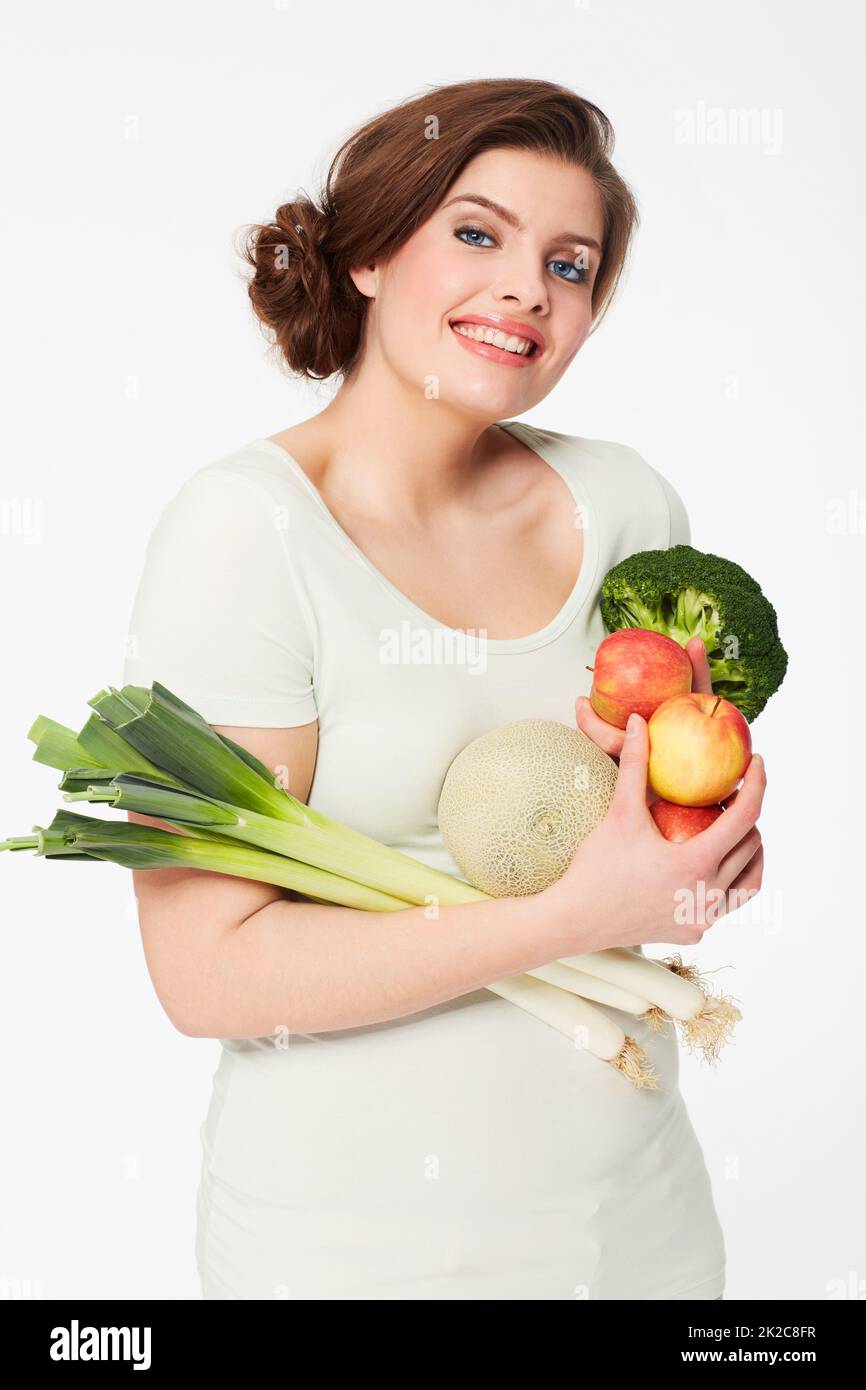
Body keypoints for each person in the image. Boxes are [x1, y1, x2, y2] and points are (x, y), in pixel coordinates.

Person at [122, 77, 764, 1300]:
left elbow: (651, 824)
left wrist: (701, 863)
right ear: (366, 255)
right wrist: (568, 918)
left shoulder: (627, 507)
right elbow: (203, 972)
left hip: (640, 1237)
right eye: (476, 234)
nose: (527, 288)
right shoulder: (245, 533)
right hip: (349, 1257)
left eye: (569, 266)